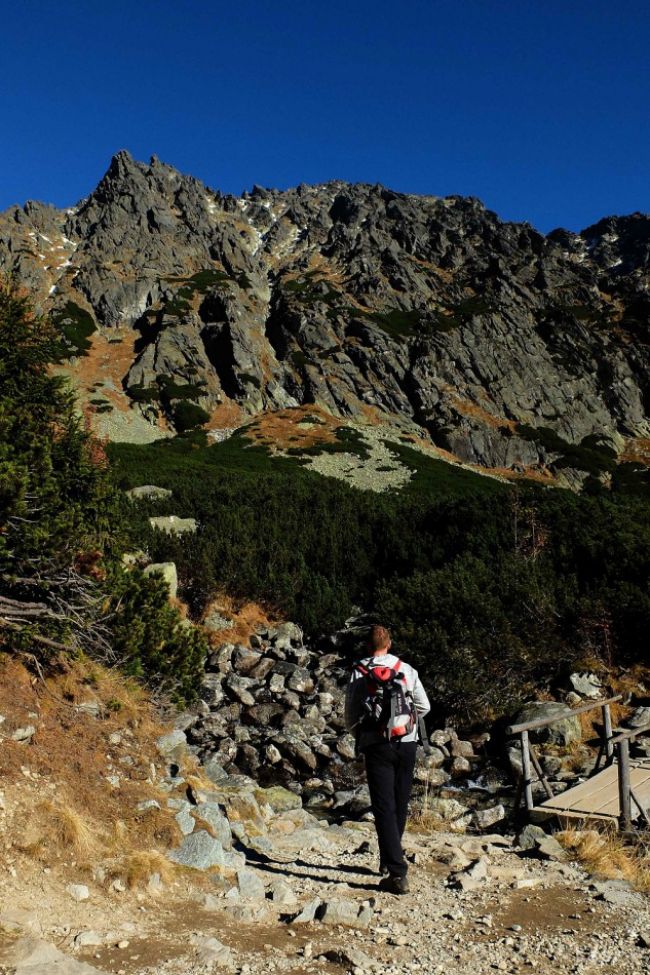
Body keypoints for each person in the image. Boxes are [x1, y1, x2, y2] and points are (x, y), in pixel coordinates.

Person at [344, 624, 430, 895]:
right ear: (389, 643)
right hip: (406, 743)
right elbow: (424, 706)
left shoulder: (359, 672)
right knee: (399, 802)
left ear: (367, 647)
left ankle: (397, 872)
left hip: (376, 744)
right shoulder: (406, 669)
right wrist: (406, 724)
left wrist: (363, 733)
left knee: (383, 807)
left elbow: (350, 716)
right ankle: (389, 858)